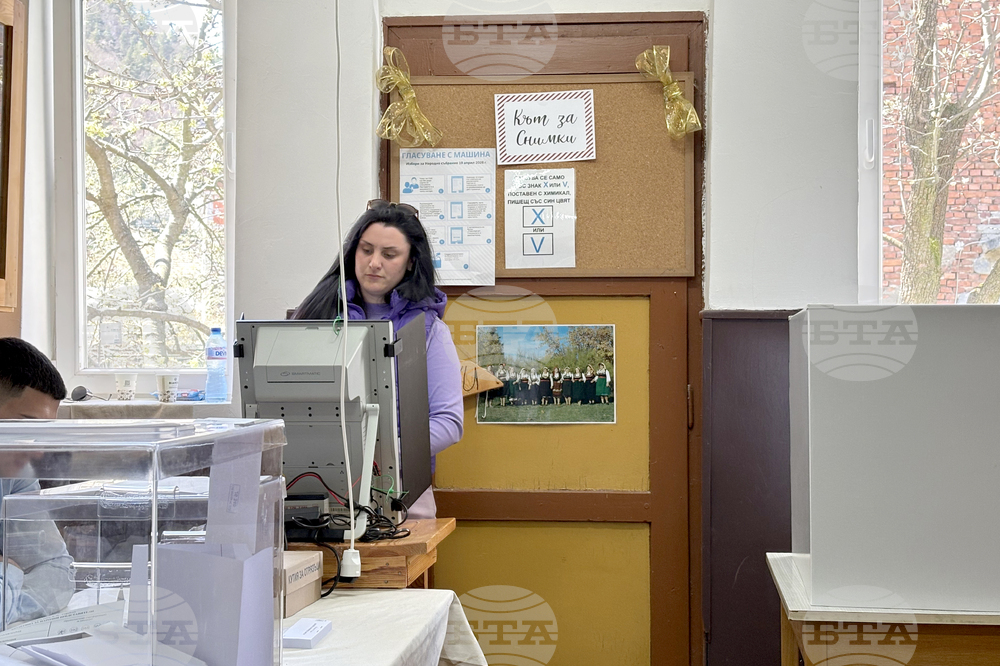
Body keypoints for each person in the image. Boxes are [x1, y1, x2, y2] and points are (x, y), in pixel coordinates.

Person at [292, 200, 463, 520]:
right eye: (366, 250)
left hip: (400, 503)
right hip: (314, 493)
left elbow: (449, 423)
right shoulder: (314, 317)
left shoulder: (428, 332)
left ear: (410, 263)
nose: (373, 263)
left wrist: (376, 455)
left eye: (389, 254)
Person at [0, 338, 75, 624]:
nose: (37, 451)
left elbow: (58, 572)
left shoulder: (16, 476)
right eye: (25, 426)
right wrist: (12, 571)